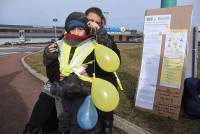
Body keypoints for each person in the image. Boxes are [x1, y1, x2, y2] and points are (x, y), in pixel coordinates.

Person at [23, 7, 120, 134]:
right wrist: (55, 74)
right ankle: (35, 127)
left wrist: (91, 69)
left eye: (98, 22)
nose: (93, 24)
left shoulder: (102, 39)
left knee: (88, 108)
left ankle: (106, 126)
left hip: (92, 82)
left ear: (101, 25)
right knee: (47, 94)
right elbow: (54, 59)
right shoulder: (66, 38)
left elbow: (112, 60)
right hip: (63, 81)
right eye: (90, 20)